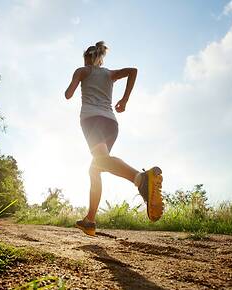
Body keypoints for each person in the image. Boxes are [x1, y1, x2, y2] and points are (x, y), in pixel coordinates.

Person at [65, 41, 163, 237]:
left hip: (92, 120)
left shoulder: (82, 71)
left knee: (100, 162)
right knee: (96, 168)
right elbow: (132, 71)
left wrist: (78, 78)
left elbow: (68, 94)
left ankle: (141, 178)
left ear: (87, 58)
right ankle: (90, 220)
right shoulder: (109, 73)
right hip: (111, 123)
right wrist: (124, 100)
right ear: (100, 59)